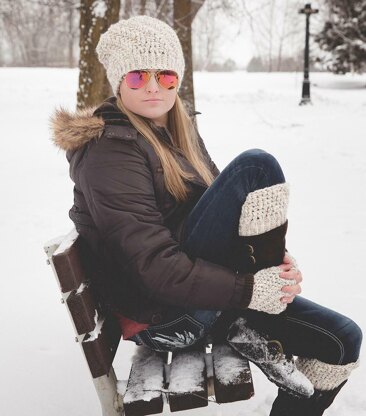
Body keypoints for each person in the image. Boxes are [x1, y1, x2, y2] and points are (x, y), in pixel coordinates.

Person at [50, 15, 362, 415]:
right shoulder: (110, 151)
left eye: (165, 76)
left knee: (343, 340)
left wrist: (271, 264)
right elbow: (153, 267)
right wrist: (252, 288)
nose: (153, 86)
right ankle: (249, 322)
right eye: (137, 77)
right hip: (164, 315)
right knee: (256, 168)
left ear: (177, 79)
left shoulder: (177, 132)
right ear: (117, 82)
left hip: (198, 294)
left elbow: (226, 215)